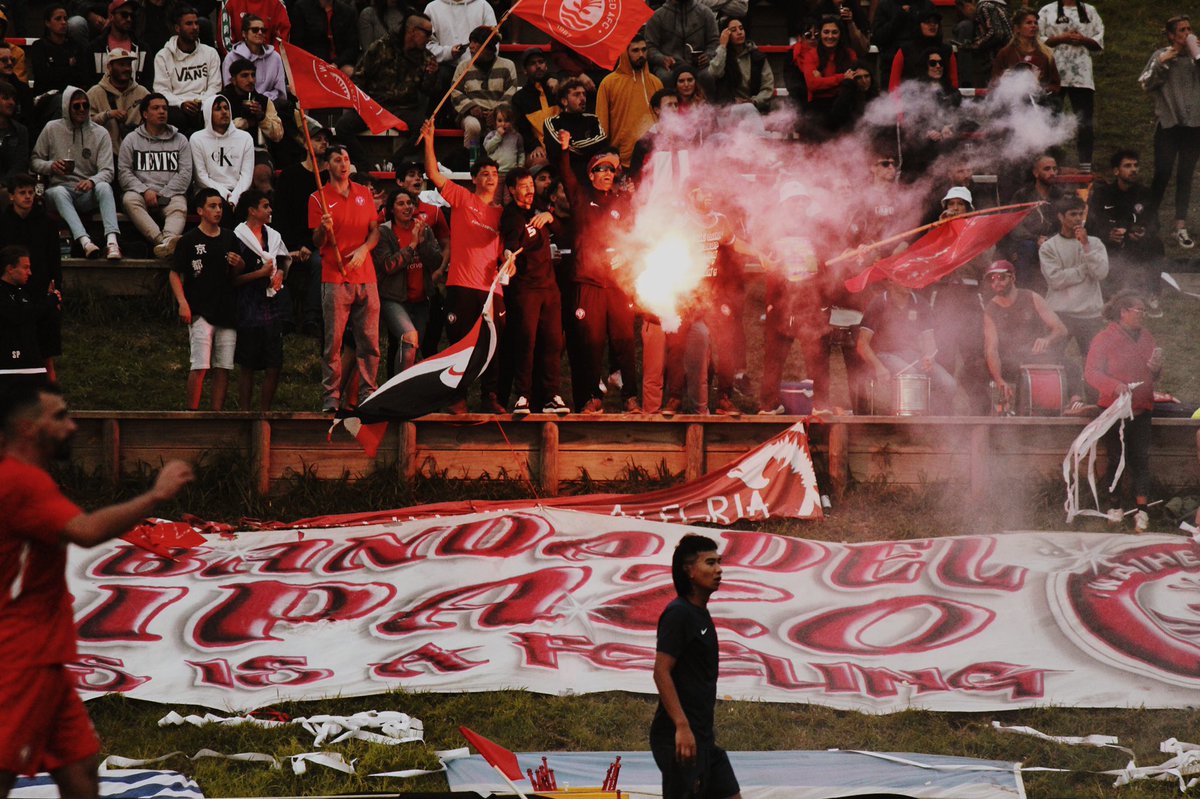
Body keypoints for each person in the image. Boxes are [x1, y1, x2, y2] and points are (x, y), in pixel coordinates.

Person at [0, 382, 193, 799]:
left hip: (44, 655)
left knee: (81, 768)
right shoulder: (20, 482)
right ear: (28, 428)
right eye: (59, 416)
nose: (72, 426)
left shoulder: (27, 479)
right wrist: (156, 495)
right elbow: (85, 532)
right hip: (18, 657)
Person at [421, 118, 506, 413]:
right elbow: (433, 174)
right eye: (485, 174)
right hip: (461, 284)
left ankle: (490, 396)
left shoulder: (502, 214)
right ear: (474, 179)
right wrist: (429, 139)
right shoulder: (462, 198)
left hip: (491, 289)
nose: (491, 178)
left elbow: (507, 250)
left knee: (491, 345)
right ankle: (456, 397)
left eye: (494, 174)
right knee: (460, 344)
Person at [650, 534, 743, 799]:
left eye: (719, 562)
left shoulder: (700, 613)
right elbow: (661, 671)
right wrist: (682, 727)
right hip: (679, 739)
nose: (719, 569)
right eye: (710, 563)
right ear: (689, 570)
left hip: (703, 739)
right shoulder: (678, 613)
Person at [558, 132, 640, 414]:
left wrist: (625, 256)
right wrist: (565, 149)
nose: (607, 173)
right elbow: (565, 175)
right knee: (590, 343)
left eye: (611, 169)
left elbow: (634, 238)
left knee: (625, 341)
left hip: (617, 284)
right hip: (588, 282)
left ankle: (630, 397)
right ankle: (592, 397)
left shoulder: (621, 202)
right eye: (601, 169)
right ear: (591, 174)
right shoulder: (580, 197)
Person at [308, 143, 381, 412]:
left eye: (346, 159)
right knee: (334, 342)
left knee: (369, 340)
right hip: (335, 276)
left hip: (366, 274)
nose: (343, 164)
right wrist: (323, 228)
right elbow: (317, 241)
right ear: (327, 165)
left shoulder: (363, 192)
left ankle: (368, 392)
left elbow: (375, 231)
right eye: (338, 159)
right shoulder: (318, 197)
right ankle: (331, 396)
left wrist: (364, 249)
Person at [1085, 290, 1162, 533]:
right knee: (1115, 458)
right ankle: (1115, 506)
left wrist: (1156, 369)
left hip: (1141, 409)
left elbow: (1153, 374)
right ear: (1123, 312)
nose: (1142, 315)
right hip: (1114, 410)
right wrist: (1114, 386)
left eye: (1144, 311)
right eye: (1138, 310)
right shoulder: (1103, 339)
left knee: (1140, 459)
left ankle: (1142, 510)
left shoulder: (1147, 337)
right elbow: (1091, 373)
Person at [500, 166, 569, 415]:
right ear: (511, 189)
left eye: (531, 184)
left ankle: (552, 396)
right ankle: (523, 396)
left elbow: (563, 232)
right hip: (526, 289)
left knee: (553, 342)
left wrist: (551, 218)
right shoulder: (512, 215)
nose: (529, 189)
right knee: (526, 341)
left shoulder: (541, 208)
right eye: (523, 186)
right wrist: (508, 256)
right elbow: (510, 242)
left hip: (550, 288)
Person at [170, 188, 244, 410]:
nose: (218, 210)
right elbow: (174, 273)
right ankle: (191, 412)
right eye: (212, 206)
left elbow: (237, 273)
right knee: (200, 364)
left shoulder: (230, 237)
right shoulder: (189, 240)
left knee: (223, 366)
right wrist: (183, 303)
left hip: (226, 309)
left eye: (220, 206)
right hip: (200, 308)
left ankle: (216, 415)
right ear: (200, 210)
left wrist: (239, 264)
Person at [30, 87, 121, 260]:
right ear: (67, 107)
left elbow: (108, 171)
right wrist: (51, 166)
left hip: (87, 191)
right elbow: (35, 161)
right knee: (58, 192)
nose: (81, 110)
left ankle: (112, 242)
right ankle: (85, 241)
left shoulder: (100, 133)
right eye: (76, 106)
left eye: (85, 105)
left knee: (104, 187)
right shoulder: (51, 128)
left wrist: (92, 181)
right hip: (60, 190)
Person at [340, 13, 437, 166]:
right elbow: (359, 77)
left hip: (404, 108)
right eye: (427, 33)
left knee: (425, 130)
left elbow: (428, 91)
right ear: (412, 31)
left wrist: (431, 75)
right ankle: (366, 166)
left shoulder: (427, 58)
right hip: (374, 106)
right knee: (342, 126)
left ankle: (394, 163)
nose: (429, 38)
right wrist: (362, 105)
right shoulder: (381, 47)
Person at [1138, 14, 1200, 250]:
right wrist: (1162, 62)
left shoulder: (1196, 57)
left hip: (1194, 125)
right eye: (1182, 30)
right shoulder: (1161, 55)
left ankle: (1180, 226)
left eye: (1189, 28)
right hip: (1168, 124)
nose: (1187, 33)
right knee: (1162, 173)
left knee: (1186, 175)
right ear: (1172, 35)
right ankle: (1148, 222)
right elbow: (1145, 84)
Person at [981, 259, 1075, 413]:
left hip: (1036, 355)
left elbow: (1061, 329)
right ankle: (989, 413)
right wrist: (999, 380)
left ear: (1013, 277)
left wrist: (1047, 339)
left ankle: (1075, 403)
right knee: (976, 368)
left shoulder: (1032, 297)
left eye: (1001, 277)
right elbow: (991, 349)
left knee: (1071, 365)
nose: (996, 282)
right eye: (992, 279)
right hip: (1009, 360)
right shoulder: (991, 309)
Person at [857, 280, 958, 415]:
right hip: (884, 355)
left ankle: (934, 421)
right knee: (911, 375)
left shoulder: (920, 303)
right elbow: (862, 344)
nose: (909, 281)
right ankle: (907, 418)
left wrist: (929, 356)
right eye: (903, 277)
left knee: (949, 384)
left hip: (914, 356)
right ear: (891, 281)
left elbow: (929, 339)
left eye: (911, 277)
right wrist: (878, 366)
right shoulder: (879, 303)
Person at [0, 177, 63, 382]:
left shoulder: (47, 223)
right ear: (11, 196)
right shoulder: (3, 223)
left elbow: (54, 259)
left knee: (46, 355)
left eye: (30, 192)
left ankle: (52, 396)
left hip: (40, 291)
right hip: (10, 294)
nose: (27, 197)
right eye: (22, 192)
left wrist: (57, 291)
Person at [232, 189, 290, 410]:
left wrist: (279, 272)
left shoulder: (273, 236)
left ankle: (265, 412)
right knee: (248, 364)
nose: (270, 210)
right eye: (265, 206)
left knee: (274, 363)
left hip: (271, 304)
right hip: (248, 306)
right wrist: (260, 274)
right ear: (252, 210)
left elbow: (283, 259)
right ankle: (245, 412)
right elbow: (233, 280)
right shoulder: (237, 238)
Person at [1087, 149, 1165, 311]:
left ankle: (1152, 293)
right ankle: (1106, 294)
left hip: (1135, 241)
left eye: (1136, 165)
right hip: (1108, 242)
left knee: (1156, 244)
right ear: (1116, 171)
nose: (1133, 169)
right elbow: (1092, 223)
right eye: (1128, 166)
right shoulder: (1102, 194)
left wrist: (1144, 232)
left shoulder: (1145, 193)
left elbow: (1154, 223)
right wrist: (1108, 233)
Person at [375, 187, 441, 376]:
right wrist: (412, 245)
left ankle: (404, 387)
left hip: (420, 299)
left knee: (413, 348)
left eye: (410, 203)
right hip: (393, 298)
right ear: (392, 209)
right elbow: (388, 265)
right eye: (401, 204)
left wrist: (423, 243)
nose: (407, 207)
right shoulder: (384, 232)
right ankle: (398, 389)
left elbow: (436, 262)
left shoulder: (423, 229)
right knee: (410, 339)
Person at [119, 93, 192, 258]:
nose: (162, 112)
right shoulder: (131, 140)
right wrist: (145, 191)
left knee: (180, 205)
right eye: (156, 108)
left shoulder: (180, 140)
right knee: (129, 199)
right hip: (141, 194)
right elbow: (124, 172)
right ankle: (163, 243)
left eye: (165, 108)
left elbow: (185, 173)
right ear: (145, 114)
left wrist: (164, 194)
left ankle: (168, 241)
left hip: (171, 193)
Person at [1039, 193, 1108, 361]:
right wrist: (1084, 270)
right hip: (1060, 313)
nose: (1078, 218)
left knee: (1094, 363)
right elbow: (1056, 280)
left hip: (1090, 314)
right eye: (1073, 214)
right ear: (1061, 217)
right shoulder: (1048, 247)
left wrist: (1086, 246)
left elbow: (1101, 273)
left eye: (1080, 214)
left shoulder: (1095, 243)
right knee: (1052, 362)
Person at [1037, 0, 1103, 172]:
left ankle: (1085, 166)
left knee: (1085, 122)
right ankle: (1050, 165)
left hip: (1082, 75)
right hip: (1053, 74)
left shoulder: (1090, 11)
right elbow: (1037, 40)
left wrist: (1083, 39)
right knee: (1051, 120)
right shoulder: (1046, 11)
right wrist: (1060, 38)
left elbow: (1099, 42)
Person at [450, 26, 518, 163]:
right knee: (473, 126)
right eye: (471, 42)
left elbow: (511, 91)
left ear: (488, 46)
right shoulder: (463, 67)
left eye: (476, 42)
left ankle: (501, 164)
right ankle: (471, 161)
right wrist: (471, 107)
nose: (471, 46)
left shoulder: (507, 65)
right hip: (471, 114)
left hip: (499, 114)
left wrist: (497, 112)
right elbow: (455, 91)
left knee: (504, 125)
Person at [596, 34, 664, 169]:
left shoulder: (656, 82)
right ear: (625, 53)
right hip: (622, 160)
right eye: (635, 50)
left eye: (644, 50)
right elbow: (601, 126)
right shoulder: (609, 83)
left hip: (654, 158)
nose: (641, 54)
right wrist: (608, 157)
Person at [153, 6, 222, 134]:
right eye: (189, 24)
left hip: (204, 105)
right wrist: (181, 103)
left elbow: (215, 86)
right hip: (177, 107)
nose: (195, 27)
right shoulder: (163, 56)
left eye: (196, 23)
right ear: (177, 28)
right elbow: (161, 90)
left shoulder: (210, 53)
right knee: (175, 117)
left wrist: (202, 103)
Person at [1000, 153, 1061, 291]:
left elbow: (1067, 223)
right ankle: (1024, 293)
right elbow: (1013, 224)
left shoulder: (1060, 195)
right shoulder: (1023, 195)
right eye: (1047, 169)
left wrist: (1050, 240)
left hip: (1055, 242)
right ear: (1035, 173)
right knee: (1027, 247)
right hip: (1027, 243)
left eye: (1054, 169)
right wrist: (1036, 238)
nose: (1052, 173)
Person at [0, 246, 57, 386]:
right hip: (7, 366)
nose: (29, 272)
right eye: (25, 267)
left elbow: (33, 316)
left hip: (30, 363)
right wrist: (49, 302)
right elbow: (18, 316)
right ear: (10, 269)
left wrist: (52, 302)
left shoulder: (22, 294)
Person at [190, 93, 255, 212]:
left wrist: (234, 197)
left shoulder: (245, 138)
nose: (224, 112)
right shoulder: (197, 139)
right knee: (219, 207)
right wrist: (225, 195)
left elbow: (247, 176)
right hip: (208, 191)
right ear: (208, 113)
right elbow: (200, 177)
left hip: (238, 191)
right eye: (218, 109)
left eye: (226, 108)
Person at [543, 77, 607, 182]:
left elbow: (602, 143)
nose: (583, 98)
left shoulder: (592, 119)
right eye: (577, 95)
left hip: (591, 175)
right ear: (564, 101)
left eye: (584, 94)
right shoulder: (552, 122)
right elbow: (557, 151)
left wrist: (571, 144)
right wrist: (585, 149)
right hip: (563, 177)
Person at [86, 46, 147, 152]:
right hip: (105, 153)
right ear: (109, 67)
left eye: (129, 64)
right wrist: (107, 115)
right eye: (121, 64)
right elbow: (84, 124)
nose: (127, 69)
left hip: (137, 151)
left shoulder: (142, 92)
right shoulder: (94, 93)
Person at [991, 6, 1061, 100]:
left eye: (1035, 23)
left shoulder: (1046, 54)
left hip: (1040, 104)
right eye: (1028, 23)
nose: (1033, 26)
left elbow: (1055, 84)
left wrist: (1041, 90)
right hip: (1011, 104)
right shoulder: (1005, 53)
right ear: (1017, 28)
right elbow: (995, 83)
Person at [645, 0, 719, 86]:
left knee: (708, 75)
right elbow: (649, 46)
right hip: (670, 67)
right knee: (665, 78)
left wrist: (708, 55)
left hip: (699, 65)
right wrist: (661, 59)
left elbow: (714, 41)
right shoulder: (657, 16)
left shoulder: (705, 13)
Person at [709, 17, 773, 116]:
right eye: (733, 30)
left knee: (749, 108)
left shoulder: (757, 57)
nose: (739, 32)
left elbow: (767, 87)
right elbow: (715, 73)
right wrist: (722, 46)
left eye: (741, 28)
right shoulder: (722, 56)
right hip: (728, 109)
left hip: (754, 108)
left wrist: (754, 101)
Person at [220, 14, 287, 102]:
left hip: (270, 103)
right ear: (244, 34)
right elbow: (229, 88)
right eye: (255, 30)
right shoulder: (231, 57)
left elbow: (280, 90)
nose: (260, 33)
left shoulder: (275, 57)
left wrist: (263, 101)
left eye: (263, 30)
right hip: (240, 104)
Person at [222, 58, 283, 147]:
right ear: (233, 80)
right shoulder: (221, 100)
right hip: (226, 148)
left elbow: (278, 136)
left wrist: (261, 117)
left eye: (253, 75)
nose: (251, 80)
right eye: (245, 75)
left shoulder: (263, 101)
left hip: (256, 149)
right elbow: (214, 130)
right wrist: (242, 123)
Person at [89, 0, 151, 88]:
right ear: (111, 16)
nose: (129, 19)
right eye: (124, 14)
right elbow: (88, 82)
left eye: (132, 15)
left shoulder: (143, 49)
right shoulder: (95, 48)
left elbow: (148, 83)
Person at [290, 0, 359, 76]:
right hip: (312, 64)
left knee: (349, 71)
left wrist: (337, 63)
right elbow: (297, 45)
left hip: (339, 64)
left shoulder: (347, 11)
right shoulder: (301, 8)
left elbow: (352, 46)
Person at [511, 47, 558, 156]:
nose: (538, 66)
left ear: (546, 66)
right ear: (524, 70)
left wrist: (553, 78)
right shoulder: (520, 98)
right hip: (539, 148)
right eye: (532, 63)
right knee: (538, 160)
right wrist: (535, 146)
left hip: (564, 144)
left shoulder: (557, 86)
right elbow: (523, 130)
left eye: (541, 62)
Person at [216, 0, 290, 57]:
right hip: (238, 65)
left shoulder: (277, 3)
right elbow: (225, 42)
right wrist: (240, 62)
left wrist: (269, 61)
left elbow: (282, 41)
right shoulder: (229, 2)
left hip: (269, 62)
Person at [0, 83, 28, 197]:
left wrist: (3, 183)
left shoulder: (20, 131)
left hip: (10, 186)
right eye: (6, 98)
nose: (12, 102)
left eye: (13, 99)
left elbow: (20, 164)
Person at [483, 104, 523, 174]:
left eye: (507, 121)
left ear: (512, 122)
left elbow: (521, 153)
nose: (503, 124)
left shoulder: (516, 136)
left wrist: (520, 166)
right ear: (495, 121)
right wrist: (498, 136)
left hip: (511, 172)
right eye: (500, 120)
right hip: (495, 172)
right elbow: (488, 149)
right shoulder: (491, 135)